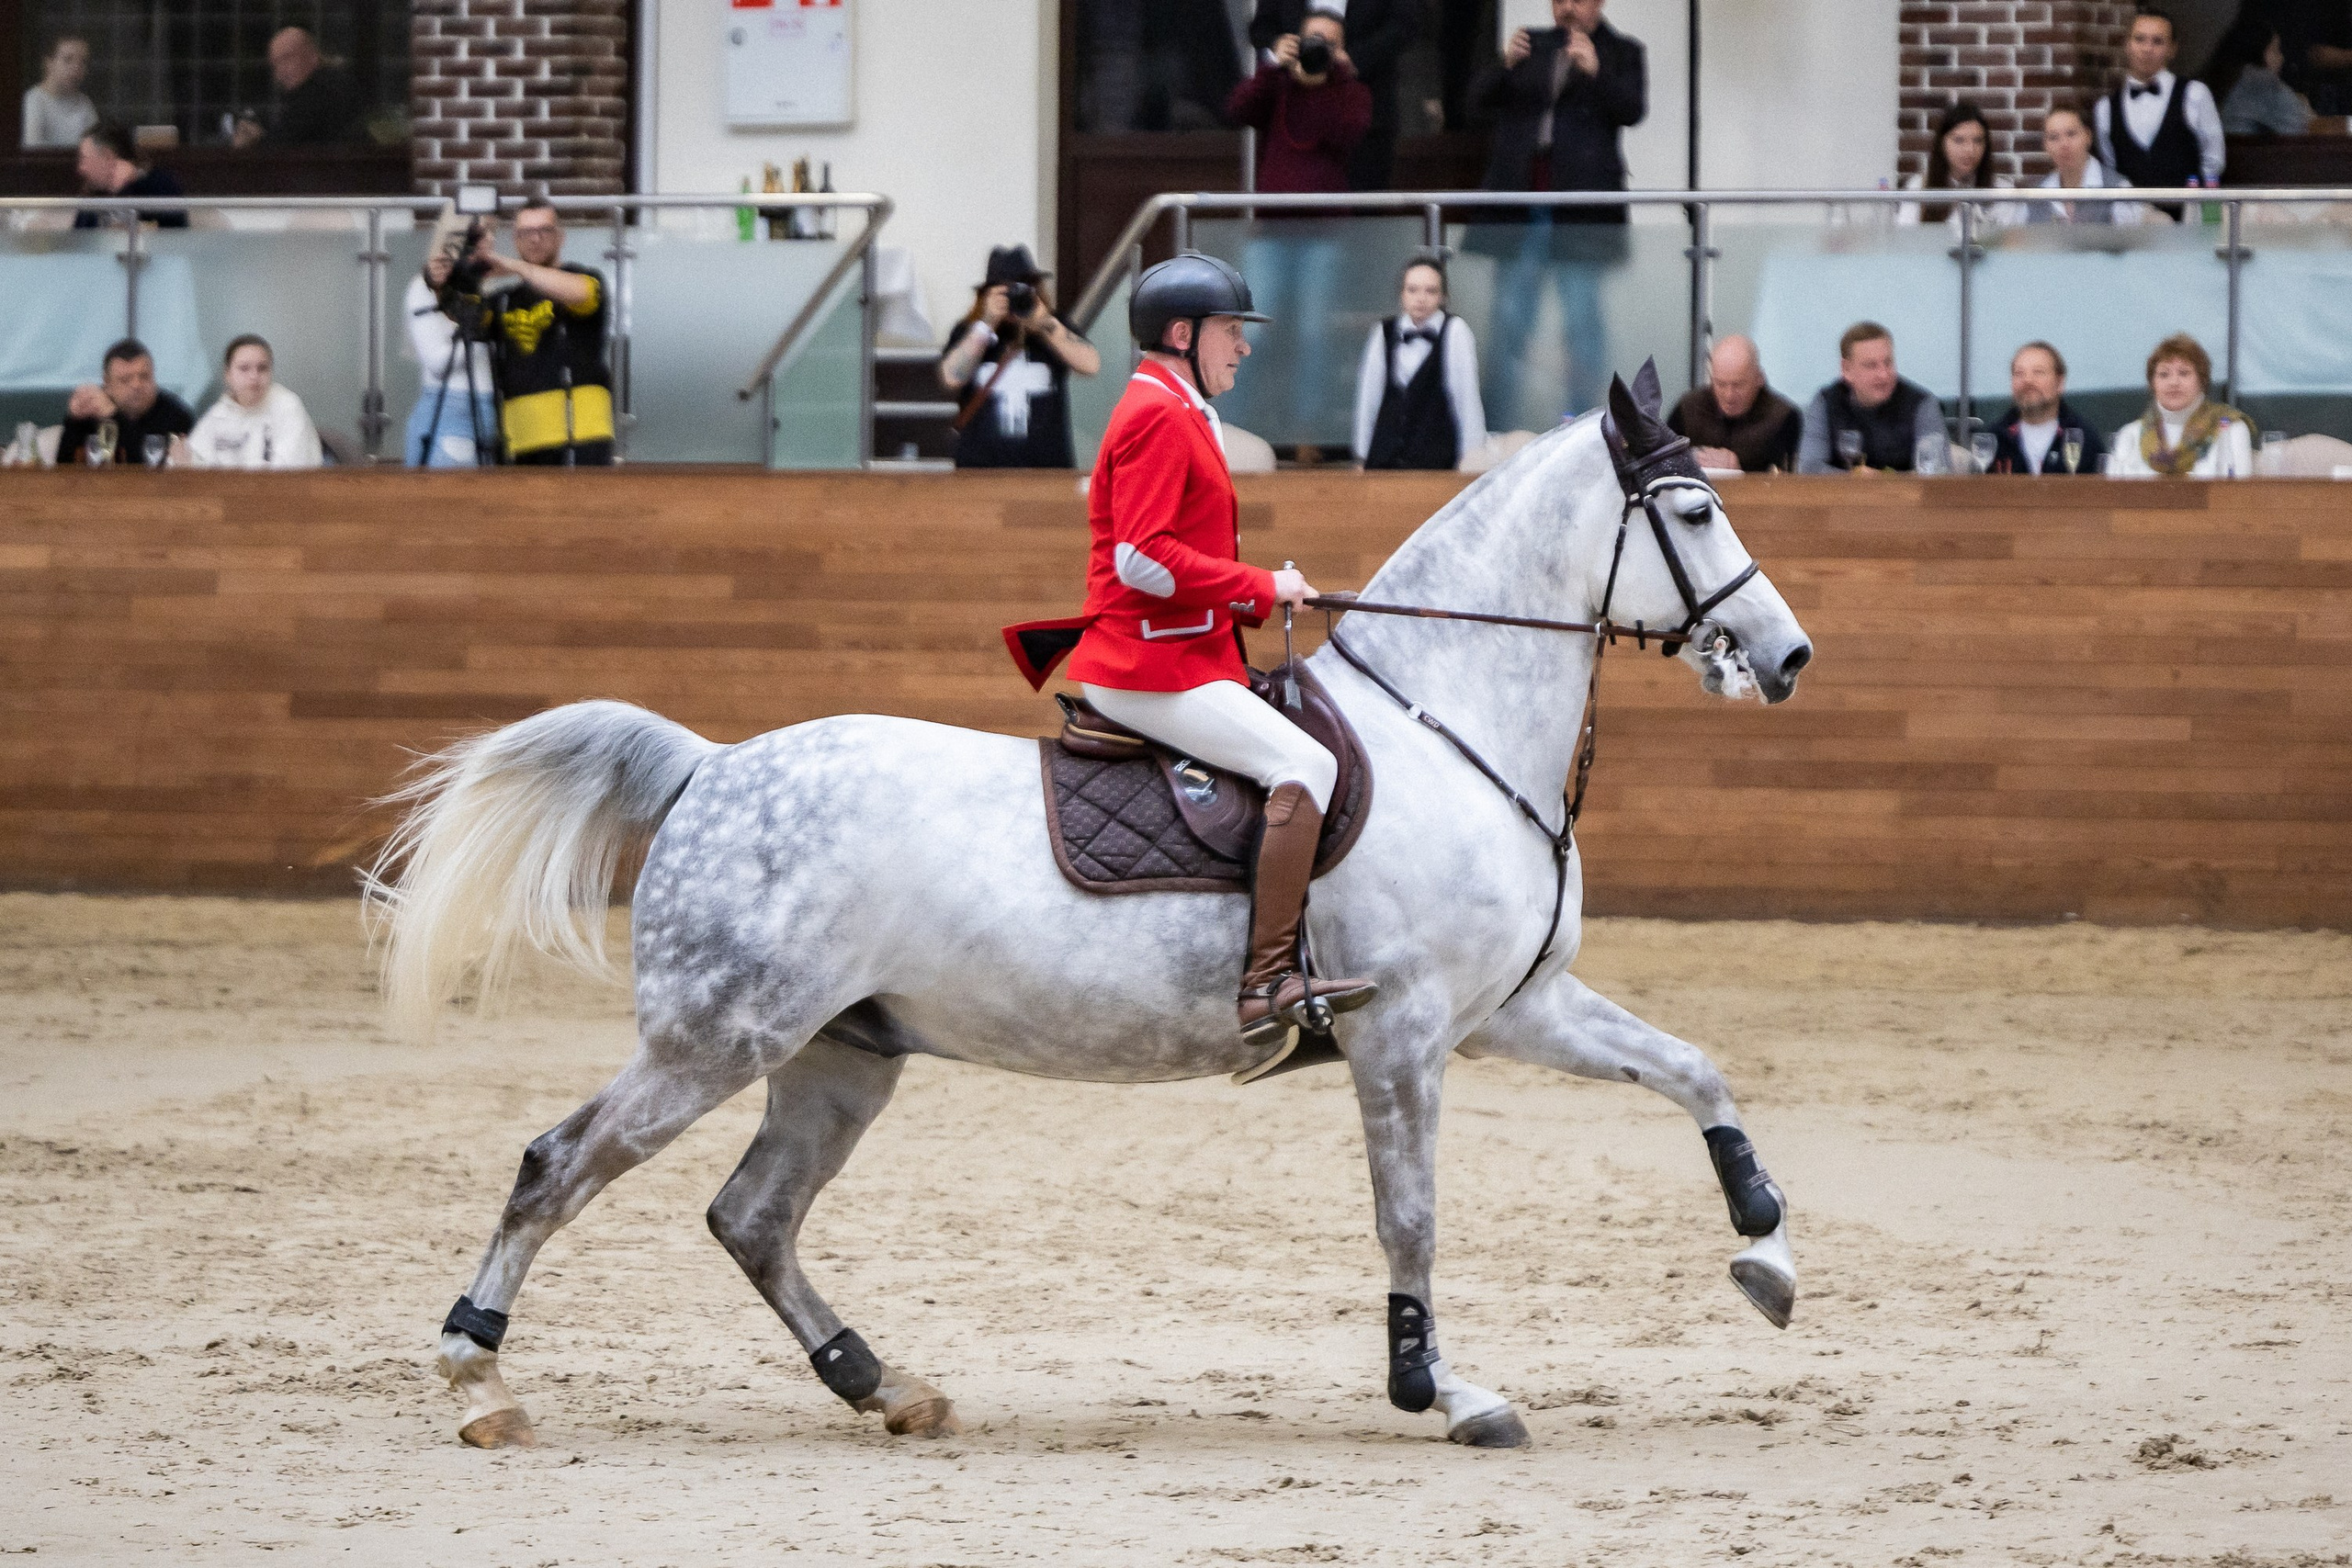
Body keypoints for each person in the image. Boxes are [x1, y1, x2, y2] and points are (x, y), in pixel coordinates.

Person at [1000, 254, 1375, 1068]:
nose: (1242, 347)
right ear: (1184, 333)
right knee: (1305, 766)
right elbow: (1140, 559)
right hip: (1145, 664)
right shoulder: (1158, 414)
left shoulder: (1179, 406)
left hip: (1183, 647)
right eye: (1232, 332)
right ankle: (1267, 980)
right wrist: (1256, 581)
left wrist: (1259, 595)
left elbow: (1182, 553)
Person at [1467, 0, 1645, 424]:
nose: (1567, 8)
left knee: (1582, 326)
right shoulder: (1531, 43)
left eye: (1577, 0)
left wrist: (1597, 73)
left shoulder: (1622, 51)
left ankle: (1582, 425)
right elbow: (1475, 103)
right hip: (1521, 204)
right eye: (1559, 0)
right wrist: (1503, 66)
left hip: (1579, 212)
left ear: (1598, 3)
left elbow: (1633, 109)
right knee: (1509, 320)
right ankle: (1498, 429)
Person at [1227, 12, 1372, 450]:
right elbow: (1236, 109)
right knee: (1251, 330)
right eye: (1312, 40)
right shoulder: (1278, 83)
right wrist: (1274, 65)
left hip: (1323, 236)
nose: (1317, 49)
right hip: (1272, 232)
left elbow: (1350, 130)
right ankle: (1229, 430)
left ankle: (1310, 434)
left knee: (1314, 333)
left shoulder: (1350, 90)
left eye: (1328, 42)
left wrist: (1338, 76)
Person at [427, 199, 615, 466]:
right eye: (525, 233)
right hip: (521, 441)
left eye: (544, 230)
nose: (535, 239)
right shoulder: (505, 299)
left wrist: (515, 266)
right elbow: (469, 318)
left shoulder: (583, 278)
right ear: (515, 239)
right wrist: (444, 283)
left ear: (561, 237)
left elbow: (580, 293)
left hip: (581, 438)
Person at [939, 245, 1100, 470]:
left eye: (1023, 290)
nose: (1014, 300)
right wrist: (986, 324)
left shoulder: (1053, 327)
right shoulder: (971, 330)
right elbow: (951, 378)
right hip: (979, 472)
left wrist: (1044, 323)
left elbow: (1091, 365)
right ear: (987, 295)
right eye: (1005, 293)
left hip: (1046, 472)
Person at [1247, 0, 1419, 191]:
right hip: (1292, 121)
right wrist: (1279, 47)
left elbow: (1405, 24)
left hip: (1366, 117)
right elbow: (1261, 29)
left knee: (1364, 208)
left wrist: (1353, 60)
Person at [1351, 253, 1486, 470]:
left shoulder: (1455, 330)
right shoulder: (1383, 332)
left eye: (1430, 291)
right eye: (1412, 290)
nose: (1421, 298)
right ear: (1401, 294)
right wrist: (1361, 455)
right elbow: (1369, 398)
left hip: (1438, 462)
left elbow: (1466, 398)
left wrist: (1471, 458)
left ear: (1443, 296)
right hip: (1385, 461)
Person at [2094, 8, 2224, 220]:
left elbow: (2213, 161)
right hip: (2134, 225)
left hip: (2190, 221)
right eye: (2140, 39)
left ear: (2172, 49)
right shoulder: (2105, 108)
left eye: (2158, 41)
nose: (2147, 48)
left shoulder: (2195, 94)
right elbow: (2111, 168)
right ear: (2127, 45)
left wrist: (2202, 213)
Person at [1797, 321, 1945, 474]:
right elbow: (1809, 468)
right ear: (1846, 369)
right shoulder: (1826, 401)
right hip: (1841, 497)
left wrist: (1881, 481)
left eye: (1888, 363)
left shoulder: (1921, 403)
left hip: (1907, 497)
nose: (1883, 374)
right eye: (1871, 366)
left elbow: (1939, 473)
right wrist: (1855, 479)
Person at [2108, 332, 2253, 478]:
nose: (2174, 382)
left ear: (2202, 380)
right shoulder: (2130, 434)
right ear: (2152, 383)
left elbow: (2238, 495)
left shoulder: (2229, 429)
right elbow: (2113, 495)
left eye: (2184, 373)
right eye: (2164, 374)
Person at [402, 268, 498, 467]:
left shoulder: (487, 283)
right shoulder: (425, 286)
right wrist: (478, 336)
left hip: (482, 410)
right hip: (453, 412)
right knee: (449, 496)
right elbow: (438, 363)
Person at [1668, 334, 1802, 474]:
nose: (1729, 395)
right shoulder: (1689, 408)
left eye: (1738, 385)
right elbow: (1660, 459)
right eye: (1720, 384)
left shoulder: (1783, 418)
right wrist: (1693, 458)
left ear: (1759, 378)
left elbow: (1787, 481)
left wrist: (1739, 471)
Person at [184, 335, 322, 469]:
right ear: (228, 375)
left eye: (262, 368)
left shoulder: (288, 406)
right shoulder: (219, 413)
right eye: (244, 368)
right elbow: (196, 462)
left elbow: (290, 473)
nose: (254, 376)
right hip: (224, 492)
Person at [57, 338, 195, 466]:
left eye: (144, 377)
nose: (136, 385)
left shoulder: (175, 415)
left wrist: (113, 417)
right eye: (125, 380)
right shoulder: (92, 411)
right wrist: (73, 421)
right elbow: (63, 468)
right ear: (107, 383)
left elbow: (145, 468)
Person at [1988, 342, 2108, 475]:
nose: (2028, 380)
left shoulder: (2084, 439)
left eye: (2038, 372)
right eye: (2019, 373)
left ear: (2060, 383)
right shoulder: (1994, 439)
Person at [232, 27, 361, 147]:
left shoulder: (321, 91)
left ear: (312, 56)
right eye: (275, 64)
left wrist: (254, 142)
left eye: (287, 58)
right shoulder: (318, 88)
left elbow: (284, 145)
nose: (281, 70)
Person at [1896, 101, 2017, 228]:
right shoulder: (1919, 187)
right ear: (1942, 144)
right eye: (1959, 140)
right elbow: (1906, 237)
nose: (1970, 150)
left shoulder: (2002, 191)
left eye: (1977, 141)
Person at [2024, 103, 2143, 225]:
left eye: (2071, 134)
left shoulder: (2118, 189)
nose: (2064, 144)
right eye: (2054, 137)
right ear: (2046, 146)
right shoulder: (2037, 195)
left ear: (2087, 136)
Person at [2207, 20, 2314, 136]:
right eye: (2275, 50)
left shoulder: (2215, 79)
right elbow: (2297, 132)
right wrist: (2302, 107)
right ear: (2257, 50)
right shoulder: (2263, 83)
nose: (2281, 58)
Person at [71, 124, 187, 230]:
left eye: (84, 159)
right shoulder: (92, 197)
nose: (81, 168)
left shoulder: (160, 184)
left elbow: (175, 234)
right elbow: (78, 244)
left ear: (108, 157)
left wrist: (129, 186)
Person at [21, 34, 98, 150]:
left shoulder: (85, 104)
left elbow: (97, 150)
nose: (76, 67)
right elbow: (33, 153)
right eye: (68, 60)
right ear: (49, 63)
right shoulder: (33, 101)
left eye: (83, 62)